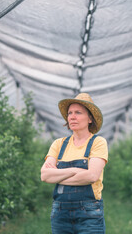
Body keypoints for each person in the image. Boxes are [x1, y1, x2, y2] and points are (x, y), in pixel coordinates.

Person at [41, 93, 108, 234]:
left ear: (90, 118)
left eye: (78, 112)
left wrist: (58, 174)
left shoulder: (98, 142)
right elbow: (45, 176)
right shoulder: (58, 144)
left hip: (89, 213)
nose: (72, 116)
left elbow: (92, 176)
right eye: (70, 113)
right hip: (60, 213)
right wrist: (75, 171)